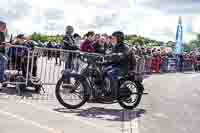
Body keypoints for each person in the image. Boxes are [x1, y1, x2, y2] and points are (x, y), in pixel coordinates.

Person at [103, 31, 130, 99]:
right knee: (102, 72)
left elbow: (121, 55)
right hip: (115, 66)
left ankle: (113, 94)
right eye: (112, 38)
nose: (112, 39)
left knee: (111, 73)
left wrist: (115, 55)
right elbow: (110, 55)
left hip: (123, 67)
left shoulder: (125, 47)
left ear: (119, 38)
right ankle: (105, 90)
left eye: (114, 38)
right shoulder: (115, 46)